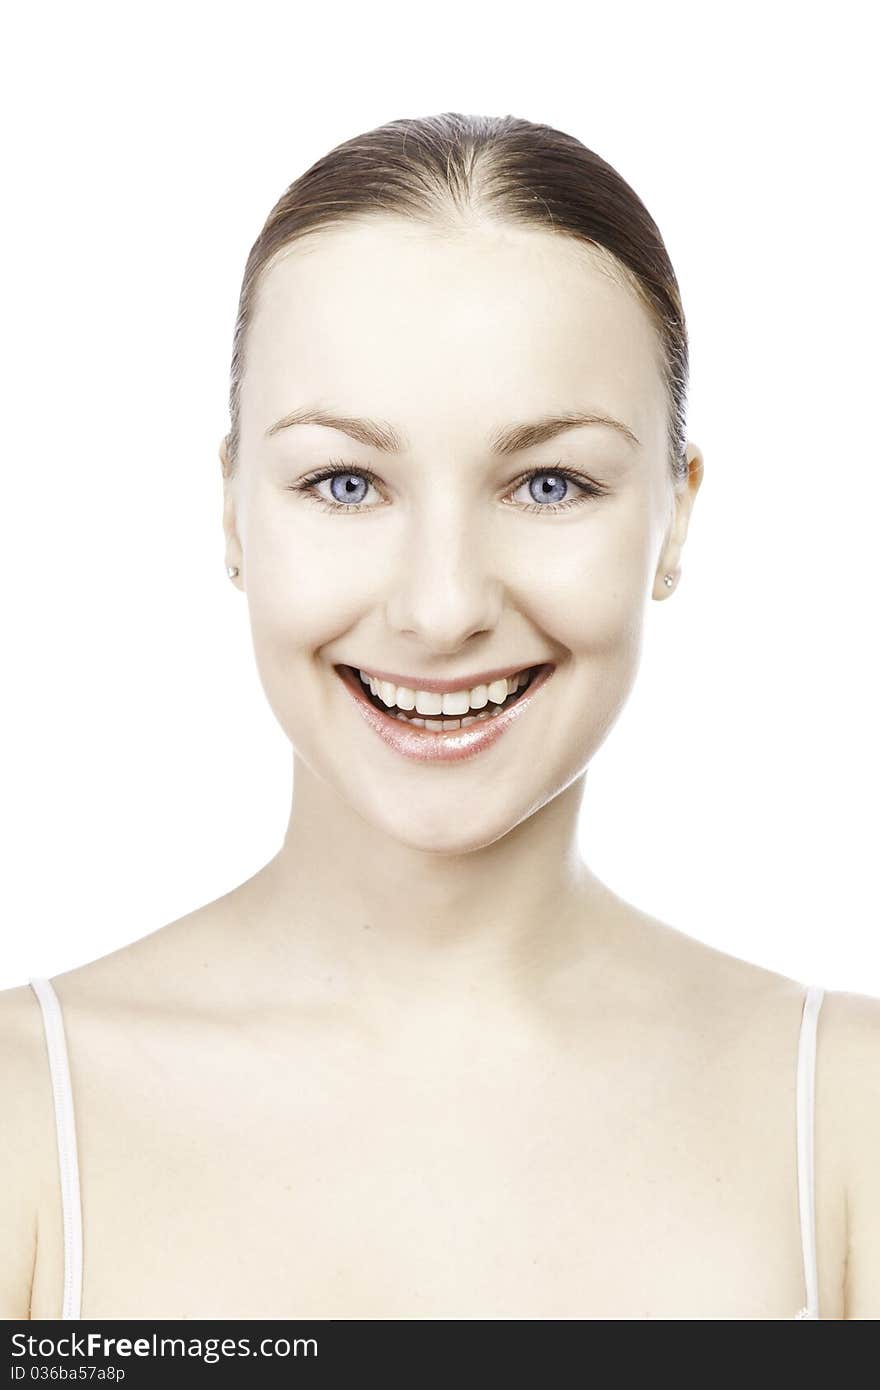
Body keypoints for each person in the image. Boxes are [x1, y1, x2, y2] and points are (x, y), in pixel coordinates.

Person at [2, 112, 877, 1321]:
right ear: (232, 511)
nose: (442, 604)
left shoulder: (845, 1120)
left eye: (549, 481)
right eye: (345, 483)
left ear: (674, 518)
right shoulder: (24, 1117)